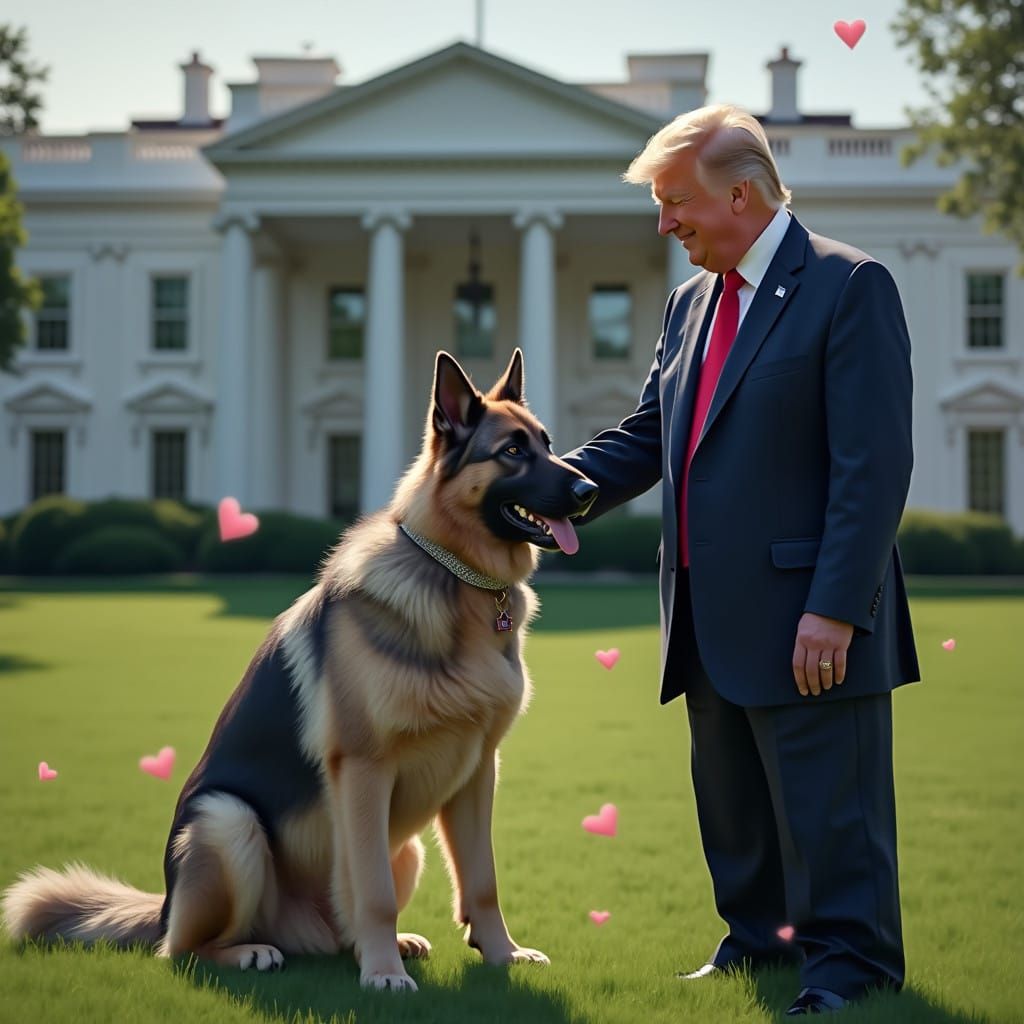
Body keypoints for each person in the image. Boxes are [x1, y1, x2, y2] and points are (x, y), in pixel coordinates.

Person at [562, 104, 920, 1017]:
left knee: (831, 817)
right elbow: (652, 434)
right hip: (705, 615)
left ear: (742, 193)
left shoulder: (852, 285)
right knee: (737, 814)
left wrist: (836, 606)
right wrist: (556, 485)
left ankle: (851, 970)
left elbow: (871, 469)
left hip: (813, 615)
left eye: (675, 201)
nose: (664, 223)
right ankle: (757, 947)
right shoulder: (689, 304)